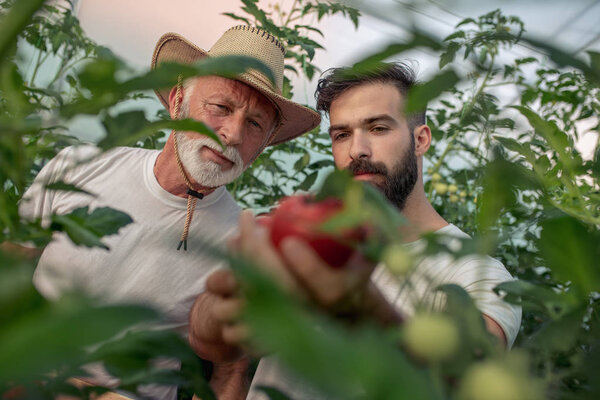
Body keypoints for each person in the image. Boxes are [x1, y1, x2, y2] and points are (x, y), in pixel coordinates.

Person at [15, 26, 320, 400]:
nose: (233, 134)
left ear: (263, 145)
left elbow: (227, 374)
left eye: (255, 124)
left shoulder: (238, 245)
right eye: (221, 107)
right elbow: (11, 266)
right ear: (178, 102)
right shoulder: (79, 167)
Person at [188, 62, 522, 399]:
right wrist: (225, 302)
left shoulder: (475, 271)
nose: (356, 150)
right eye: (342, 134)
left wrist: (363, 309)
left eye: (377, 128)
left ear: (420, 139)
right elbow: (209, 344)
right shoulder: (306, 236)